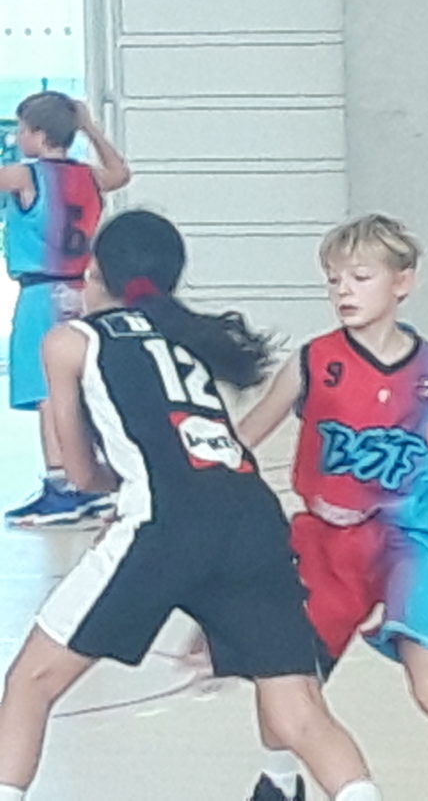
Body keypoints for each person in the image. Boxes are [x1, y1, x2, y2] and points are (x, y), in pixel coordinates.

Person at [0, 210, 382, 800]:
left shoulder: (71, 341)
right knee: (300, 714)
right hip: (253, 520)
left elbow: (80, 475)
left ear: (95, 272)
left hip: (165, 525)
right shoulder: (189, 342)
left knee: (31, 682)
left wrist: (124, 487)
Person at [234, 214, 428, 801]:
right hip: (326, 543)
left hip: (408, 541)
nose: (344, 291)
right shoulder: (313, 361)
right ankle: (278, 781)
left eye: (359, 277)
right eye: (333, 280)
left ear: (402, 282)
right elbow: (243, 438)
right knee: (287, 679)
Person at [1, 92, 131, 526]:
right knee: (77, 388)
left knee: (46, 392)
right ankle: (88, 479)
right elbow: (121, 173)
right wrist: (90, 127)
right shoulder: (88, 176)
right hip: (79, 288)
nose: (18, 137)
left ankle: (62, 484)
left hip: (41, 292)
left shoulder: (26, 175)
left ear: (39, 135)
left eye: (22, 129)